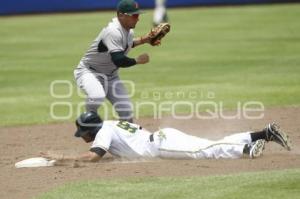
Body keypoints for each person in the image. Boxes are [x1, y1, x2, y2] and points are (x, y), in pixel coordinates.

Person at [41, 112, 291, 163]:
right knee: (210, 144)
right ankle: (264, 134)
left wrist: (61, 157)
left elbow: (93, 157)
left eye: (82, 132)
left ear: (91, 130)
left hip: (162, 145)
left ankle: (247, 150)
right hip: (163, 138)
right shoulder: (109, 124)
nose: (81, 136)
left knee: (207, 151)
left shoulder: (103, 131)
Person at [74, 0, 159, 123]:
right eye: (134, 15)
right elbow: (119, 59)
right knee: (97, 96)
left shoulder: (128, 31)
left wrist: (144, 40)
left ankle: (126, 139)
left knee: (126, 112)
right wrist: (137, 60)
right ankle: (88, 122)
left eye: (138, 15)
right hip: (89, 72)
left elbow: (124, 45)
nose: (137, 19)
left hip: (111, 76)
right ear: (120, 15)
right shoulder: (113, 31)